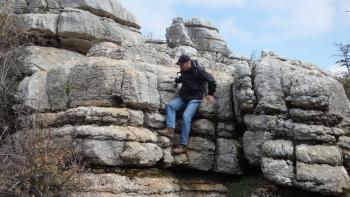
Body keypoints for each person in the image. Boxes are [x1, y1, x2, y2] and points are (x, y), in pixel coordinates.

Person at [158, 54, 216, 154]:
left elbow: (211, 80)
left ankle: (183, 145)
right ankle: (170, 129)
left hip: (195, 98)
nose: (180, 67)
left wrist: (210, 94)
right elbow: (184, 78)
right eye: (179, 65)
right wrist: (177, 80)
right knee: (170, 106)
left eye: (181, 65)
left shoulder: (199, 71)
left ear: (188, 62)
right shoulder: (184, 70)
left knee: (186, 116)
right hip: (184, 96)